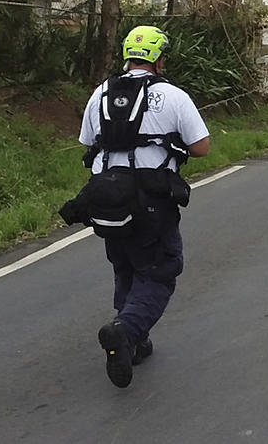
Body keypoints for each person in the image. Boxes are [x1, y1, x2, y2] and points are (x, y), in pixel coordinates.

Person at [66, 25, 209, 388]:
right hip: (151, 201)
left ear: (127, 56)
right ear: (159, 59)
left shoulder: (101, 93)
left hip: (107, 200)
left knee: (126, 264)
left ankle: (134, 340)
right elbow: (201, 146)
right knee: (161, 269)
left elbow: (87, 140)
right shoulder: (172, 95)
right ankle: (126, 331)